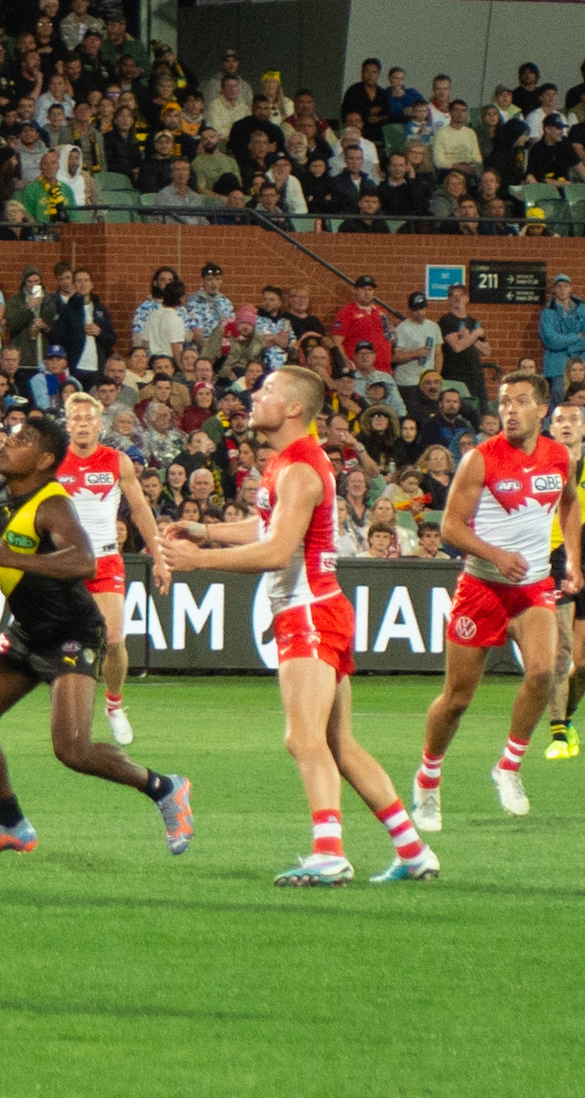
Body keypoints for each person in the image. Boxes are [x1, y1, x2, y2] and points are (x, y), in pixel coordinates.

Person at [163, 365, 437, 885]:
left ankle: (329, 852)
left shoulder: (300, 469)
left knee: (303, 738)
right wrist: (204, 529)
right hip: (317, 609)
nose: (254, 396)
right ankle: (412, 849)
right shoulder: (291, 465)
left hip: (309, 614)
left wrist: (198, 560)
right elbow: (269, 527)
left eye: (266, 391)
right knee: (338, 744)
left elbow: (277, 550)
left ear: (292, 408)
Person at [0, 416, 194, 862]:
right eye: (9, 435)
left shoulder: (53, 504)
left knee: (73, 750)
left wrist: (13, 558)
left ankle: (165, 787)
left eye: (21, 440)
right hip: (28, 629)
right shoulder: (2, 490)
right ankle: (11, 825)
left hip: (73, 633)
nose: (6, 443)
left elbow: (83, 562)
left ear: (43, 461)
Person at [415, 373, 580, 831]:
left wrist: (574, 558)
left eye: (520, 401)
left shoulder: (559, 456)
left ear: (541, 410)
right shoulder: (479, 460)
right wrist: (494, 554)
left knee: (546, 672)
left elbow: (569, 504)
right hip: (482, 586)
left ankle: (508, 766)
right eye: (504, 401)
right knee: (457, 699)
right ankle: (428, 778)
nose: (509, 410)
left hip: (533, 588)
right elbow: (450, 528)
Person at [55, 393, 169, 744]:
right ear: (68, 424)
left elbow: (139, 509)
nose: (83, 424)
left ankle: (114, 705)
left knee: (115, 639)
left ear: (100, 425)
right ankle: (68, 711)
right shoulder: (53, 462)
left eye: (89, 418)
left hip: (104, 559)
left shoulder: (117, 461)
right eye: (77, 418)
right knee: (60, 642)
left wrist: (160, 556)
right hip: (64, 561)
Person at [546, 400, 585, 759]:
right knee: (561, 651)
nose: (567, 424)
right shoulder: (541, 471)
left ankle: (565, 719)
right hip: (551, 562)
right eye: (559, 420)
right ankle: (557, 735)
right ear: (551, 429)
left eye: (574, 419)